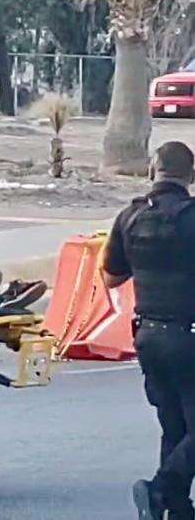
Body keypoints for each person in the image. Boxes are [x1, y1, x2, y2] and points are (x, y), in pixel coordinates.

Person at [103, 142, 195, 520]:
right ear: (191, 175)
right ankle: (161, 491)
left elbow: (111, 277)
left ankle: (177, 508)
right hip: (189, 336)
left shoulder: (131, 216)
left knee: (174, 426)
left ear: (152, 171)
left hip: (148, 337)